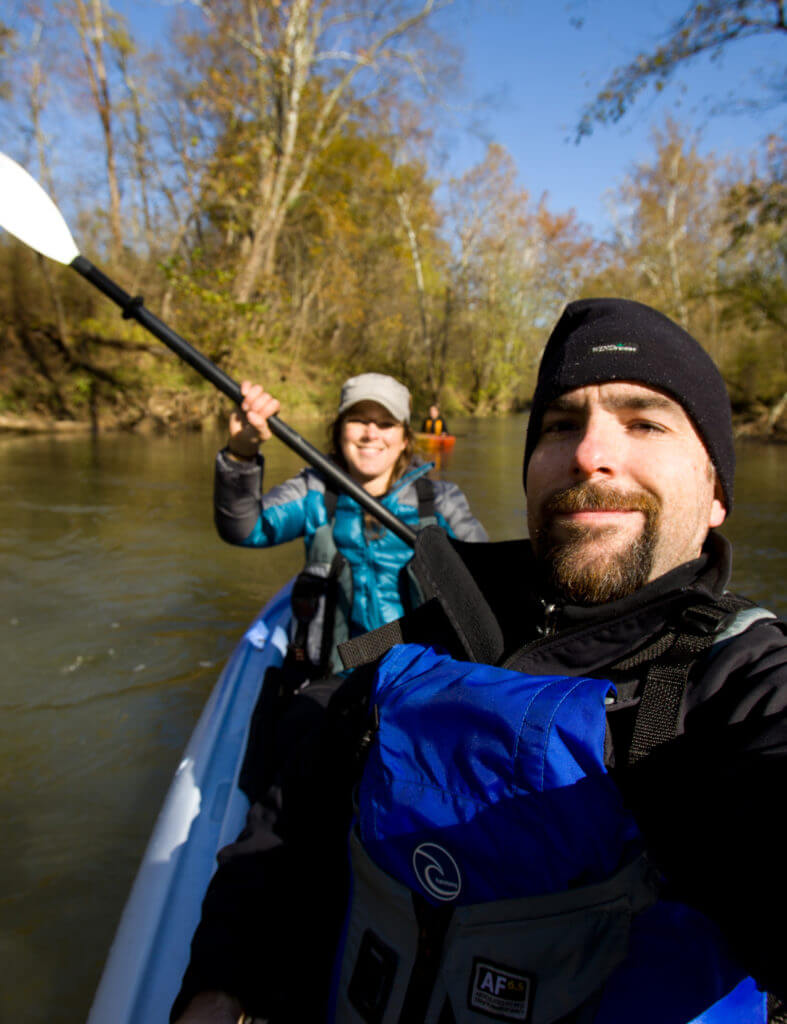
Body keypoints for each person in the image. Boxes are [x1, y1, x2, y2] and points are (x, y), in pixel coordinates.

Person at [172, 299, 786, 1023]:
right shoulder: (345, 537)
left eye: (645, 423)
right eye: (559, 425)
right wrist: (221, 985)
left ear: (717, 492)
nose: (590, 453)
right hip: (345, 652)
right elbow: (289, 832)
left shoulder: (740, 681)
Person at [215, 371, 486, 676]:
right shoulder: (314, 493)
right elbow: (243, 529)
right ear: (339, 430)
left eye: (386, 423)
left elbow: (488, 582)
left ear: (404, 439)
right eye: (358, 419)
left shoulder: (441, 503)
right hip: (336, 677)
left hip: (424, 678)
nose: (371, 433)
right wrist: (241, 454)